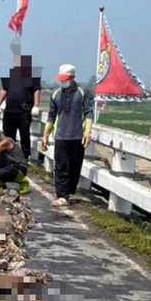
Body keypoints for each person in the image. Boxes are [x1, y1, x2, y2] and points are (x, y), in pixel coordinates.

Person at [40, 63, 94, 207]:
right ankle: (62, 196)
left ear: (72, 78)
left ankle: (69, 193)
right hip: (61, 136)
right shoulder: (56, 94)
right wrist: (45, 135)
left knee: (75, 167)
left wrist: (88, 131)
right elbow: (51, 115)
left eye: (65, 79)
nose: (62, 82)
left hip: (77, 136)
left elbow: (89, 112)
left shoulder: (83, 92)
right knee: (61, 166)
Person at [0, 55, 42, 161]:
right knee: (8, 133)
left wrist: (36, 106)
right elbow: (4, 90)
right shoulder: (9, 76)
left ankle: (25, 156)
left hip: (24, 110)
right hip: (10, 110)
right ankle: (8, 153)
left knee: (24, 133)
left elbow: (36, 90)